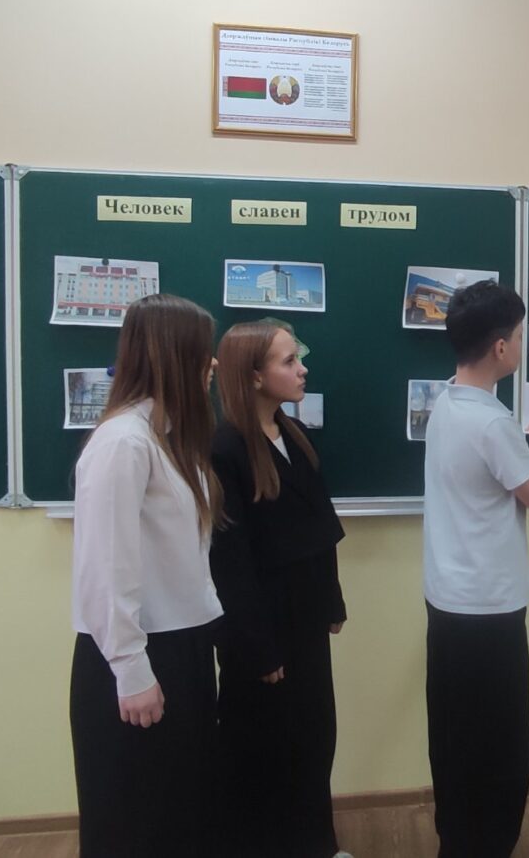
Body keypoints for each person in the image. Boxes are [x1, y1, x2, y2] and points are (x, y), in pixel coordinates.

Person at [422, 280, 529, 858]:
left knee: (454, 742)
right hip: (488, 612)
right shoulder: (492, 424)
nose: (521, 345)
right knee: (501, 754)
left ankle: (459, 843)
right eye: (519, 336)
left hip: (447, 602)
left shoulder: (446, 401)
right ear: (500, 347)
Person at [69, 293, 224, 858]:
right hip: (138, 657)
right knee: (136, 821)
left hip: (182, 647)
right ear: (172, 356)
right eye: (203, 351)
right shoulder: (123, 442)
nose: (212, 363)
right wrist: (131, 670)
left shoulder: (168, 437)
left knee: (182, 812)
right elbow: (105, 567)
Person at [210, 321, 352, 858]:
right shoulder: (224, 448)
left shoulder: (292, 433)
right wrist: (257, 647)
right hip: (262, 632)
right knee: (264, 747)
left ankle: (316, 844)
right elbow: (229, 563)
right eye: (289, 361)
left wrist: (332, 599)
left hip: (305, 620)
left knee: (313, 737)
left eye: (299, 357)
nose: (302, 370)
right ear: (253, 376)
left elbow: (320, 525)